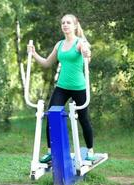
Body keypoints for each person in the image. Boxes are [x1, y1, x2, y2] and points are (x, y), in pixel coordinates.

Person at [27, 14, 95, 162]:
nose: (65, 25)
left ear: (75, 26)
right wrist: (33, 54)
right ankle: (51, 152)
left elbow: (87, 55)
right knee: (52, 116)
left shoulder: (80, 42)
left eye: (68, 23)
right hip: (62, 87)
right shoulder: (59, 45)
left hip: (78, 87)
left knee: (83, 119)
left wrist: (87, 53)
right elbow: (46, 63)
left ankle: (90, 150)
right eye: (63, 23)